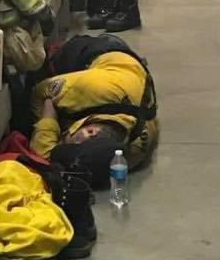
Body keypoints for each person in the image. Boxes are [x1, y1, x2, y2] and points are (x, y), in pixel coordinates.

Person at [30, 34, 158, 187]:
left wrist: (50, 133)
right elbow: (40, 93)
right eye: (69, 143)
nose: (63, 141)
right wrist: (45, 123)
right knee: (54, 62)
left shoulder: (128, 153)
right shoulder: (91, 88)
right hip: (104, 56)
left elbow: (47, 159)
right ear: (91, 131)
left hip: (127, 83)